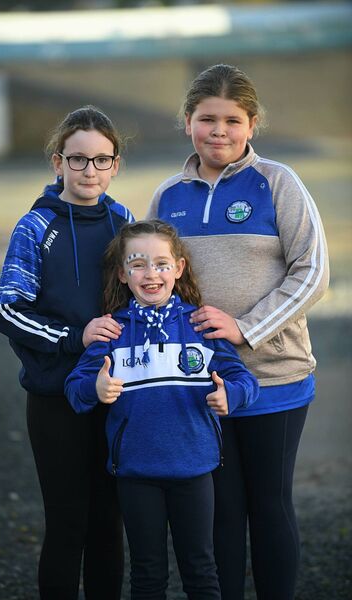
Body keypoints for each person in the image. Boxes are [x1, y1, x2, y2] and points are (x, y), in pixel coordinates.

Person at [146, 64, 330, 600]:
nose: (218, 131)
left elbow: (313, 273)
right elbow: (153, 278)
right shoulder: (168, 196)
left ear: (252, 126)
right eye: (207, 119)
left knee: (268, 505)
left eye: (232, 120)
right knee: (219, 511)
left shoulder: (278, 183)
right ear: (187, 122)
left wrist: (246, 329)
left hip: (275, 378)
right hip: (200, 386)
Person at [65, 219, 259, 600]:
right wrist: (97, 388)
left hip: (194, 470)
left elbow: (245, 381)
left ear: (178, 268)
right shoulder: (112, 331)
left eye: (161, 263)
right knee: (148, 574)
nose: (150, 273)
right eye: (137, 264)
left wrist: (230, 396)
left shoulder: (200, 325)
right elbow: (75, 389)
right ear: (122, 273)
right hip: (137, 474)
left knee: (201, 570)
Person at [0, 105, 135, 600]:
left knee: (107, 525)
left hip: (115, 396)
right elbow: (8, 311)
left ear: (115, 165)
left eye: (101, 160)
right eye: (78, 160)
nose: (89, 171)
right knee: (67, 524)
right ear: (58, 163)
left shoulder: (125, 222)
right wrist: (76, 337)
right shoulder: (34, 227)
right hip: (56, 400)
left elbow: (142, 300)